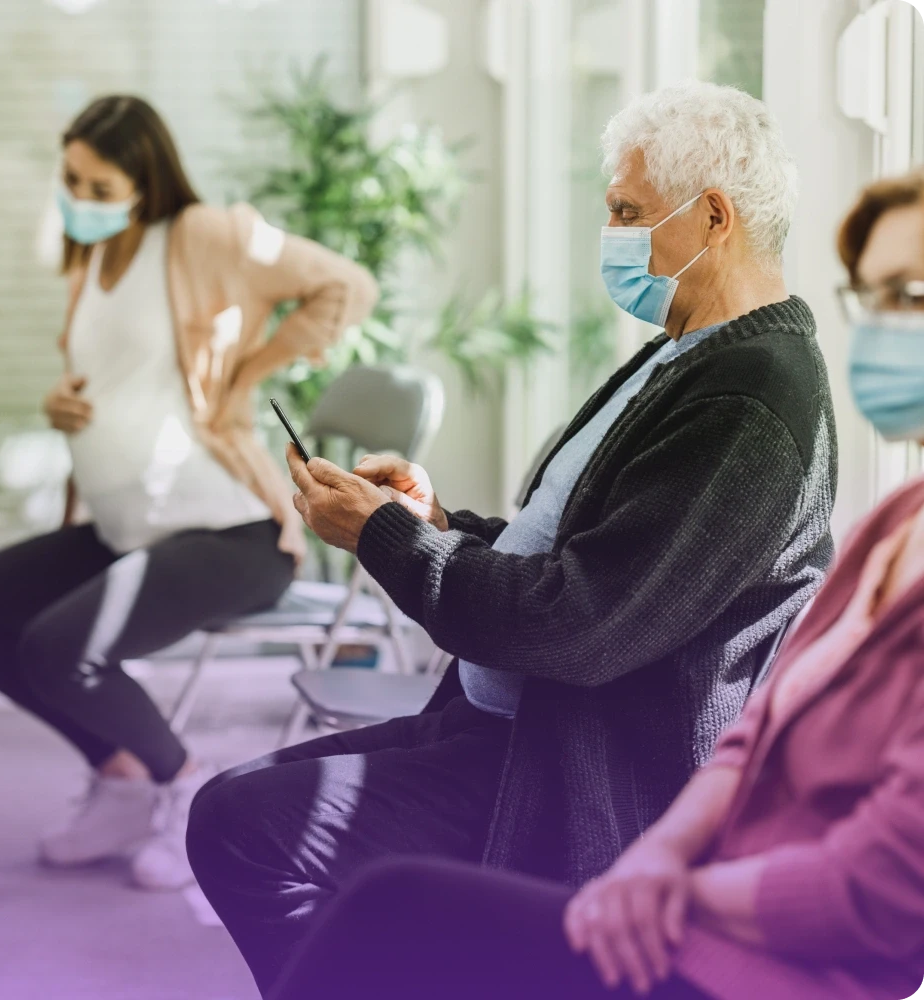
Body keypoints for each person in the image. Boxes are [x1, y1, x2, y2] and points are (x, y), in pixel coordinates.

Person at [187, 79, 839, 994]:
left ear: (715, 217)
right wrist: (437, 524)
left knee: (245, 829)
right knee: (234, 813)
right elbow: (585, 550)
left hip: (576, 776)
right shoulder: (689, 354)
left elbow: (581, 624)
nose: (611, 234)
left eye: (628, 212)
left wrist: (385, 539)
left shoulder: (748, 400)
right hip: (505, 728)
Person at [0, 95, 377, 891]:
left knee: (61, 649)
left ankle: (186, 788)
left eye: (99, 187)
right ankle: (120, 780)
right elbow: (122, 377)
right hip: (127, 525)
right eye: (71, 181)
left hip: (229, 532)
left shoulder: (202, 235)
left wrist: (248, 373)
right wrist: (62, 404)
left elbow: (345, 285)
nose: (79, 200)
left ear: (145, 182)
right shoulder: (92, 258)